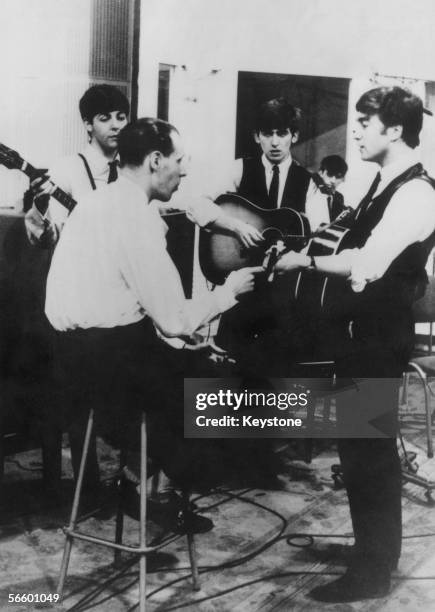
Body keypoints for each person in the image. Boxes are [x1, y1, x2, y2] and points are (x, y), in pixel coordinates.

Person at [45, 117, 261, 532]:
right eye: (180, 160)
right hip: (110, 366)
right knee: (230, 392)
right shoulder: (135, 220)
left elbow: (127, 307)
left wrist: (229, 223)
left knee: (195, 361)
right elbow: (173, 318)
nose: (185, 170)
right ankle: (361, 417)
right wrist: (229, 292)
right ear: (156, 159)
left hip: (73, 357)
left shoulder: (100, 201)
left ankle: (134, 486)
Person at [274, 86, 435, 602]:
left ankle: (371, 573)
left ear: (395, 129)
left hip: (377, 339)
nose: (357, 130)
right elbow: (348, 244)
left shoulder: (418, 193)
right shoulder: (382, 181)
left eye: (365, 121)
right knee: (358, 448)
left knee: (369, 454)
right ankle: (373, 554)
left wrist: (307, 261)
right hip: (356, 334)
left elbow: (366, 263)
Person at [25, 84, 130, 247]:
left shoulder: (132, 170)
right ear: (88, 124)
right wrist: (41, 206)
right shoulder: (66, 169)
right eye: (105, 118)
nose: (115, 125)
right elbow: (49, 239)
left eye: (121, 117)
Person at [306, 154, 348, 230]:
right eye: (330, 174)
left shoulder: (339, 198)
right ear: (321, 172)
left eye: (338, 177)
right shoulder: (310, 189)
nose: (333, 181)